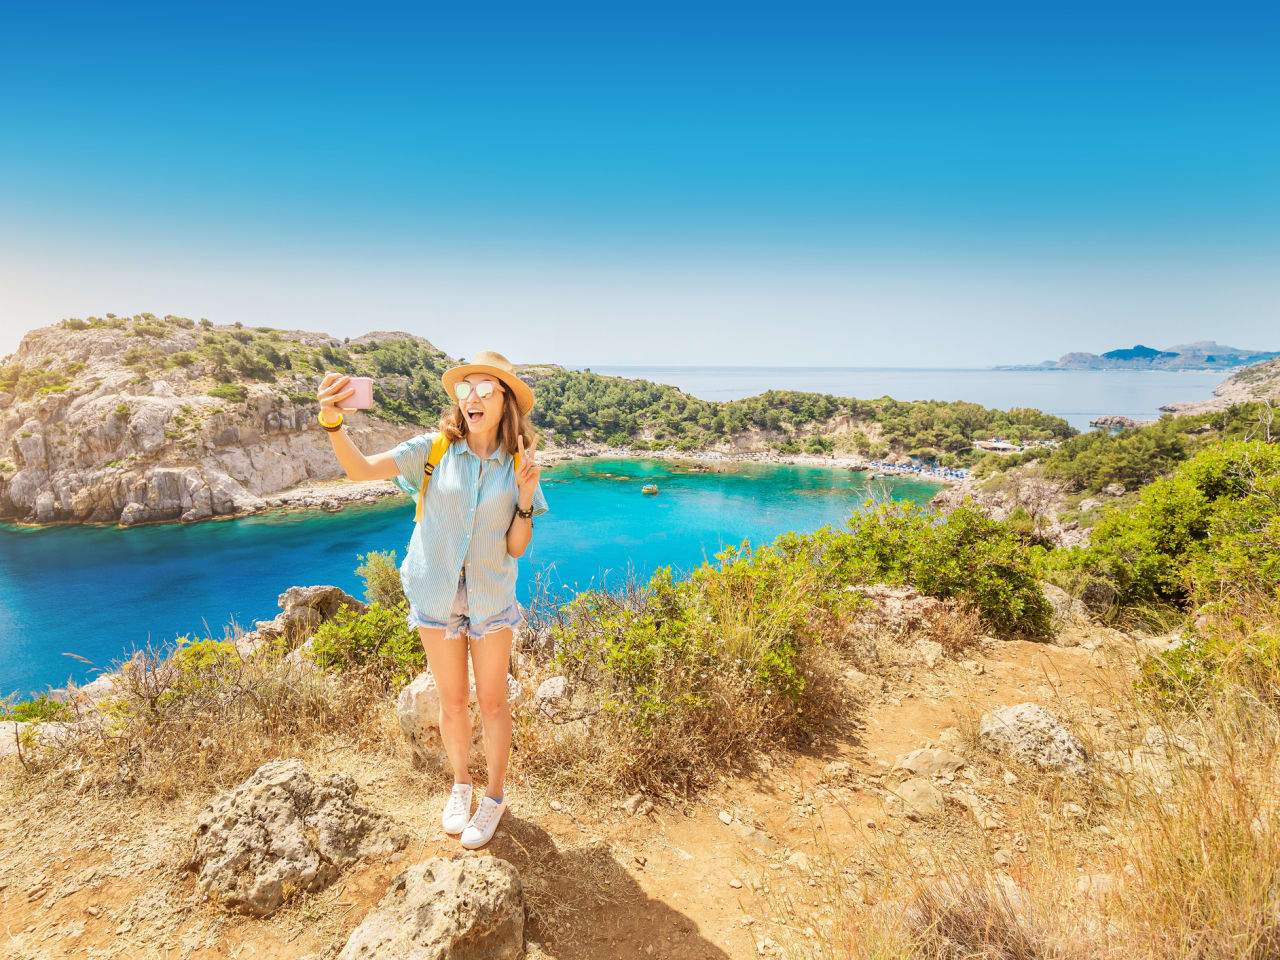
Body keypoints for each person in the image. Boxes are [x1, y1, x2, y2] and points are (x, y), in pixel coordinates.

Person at [315, 349, 549, 849]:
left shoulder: (519, 465)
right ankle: (460, 784)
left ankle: (494, 797)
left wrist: (525, 499)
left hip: (491, 599)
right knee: (452, 701)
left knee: (492, 702)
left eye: (486, 389)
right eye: (466, 389)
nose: (473, 399)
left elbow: (515, 547)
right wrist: (334, 423)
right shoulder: (433, 449)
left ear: (505, 401)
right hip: (435, 596)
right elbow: (359, 470)